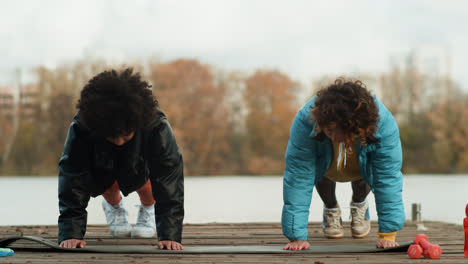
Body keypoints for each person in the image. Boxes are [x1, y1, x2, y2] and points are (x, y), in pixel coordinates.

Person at [58, 68, 184, 250]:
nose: (118, 142)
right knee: (100, 176)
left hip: (140, 165)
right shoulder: (82, 127)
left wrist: (170, 234)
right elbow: (72, 177)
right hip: (101, 166)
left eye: (125, 137)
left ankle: (148, 209)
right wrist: (71, 232)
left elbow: (168, 176)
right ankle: (114, 206)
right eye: (112, 137)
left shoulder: (156, 125)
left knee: (148, 181)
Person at [281, 78, 404, 250]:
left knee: (372, 173)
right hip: (326, 168)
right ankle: (331, 208)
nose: (336, 138)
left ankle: (359, 203)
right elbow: (298, 177)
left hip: (360, 167)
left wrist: (388, 235)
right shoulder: (306, 121)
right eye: (330, 130)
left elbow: (387, 177)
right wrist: (296, 236)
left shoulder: (384, 125)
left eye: (341, 132)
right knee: (312, 170)